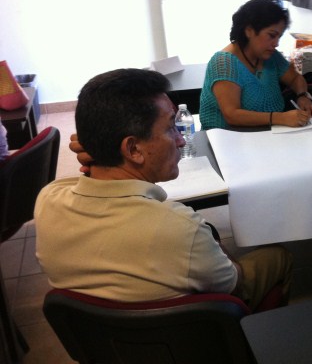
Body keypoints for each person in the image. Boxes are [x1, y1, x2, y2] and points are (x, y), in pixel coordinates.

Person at [35, 68, 292, 311]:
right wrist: (218, 250)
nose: (180, 140)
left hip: (102, 337)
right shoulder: (182, 228)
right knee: (277, 256)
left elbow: (83, 179)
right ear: (133, 149)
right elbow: (231, 284)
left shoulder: (47, 201)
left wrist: (100, 148)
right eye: (170, 127)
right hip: (194, 333)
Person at [200, 0, 312, 130]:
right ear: (249, 30)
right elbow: (232, 115)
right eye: (271, 35)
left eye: (279, 37)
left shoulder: (271, 56)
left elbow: (295, 78)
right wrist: (281, 118)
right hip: (226, 137)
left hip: (267, 134)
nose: (276, 43)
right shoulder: (224, 63)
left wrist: (302, 95)